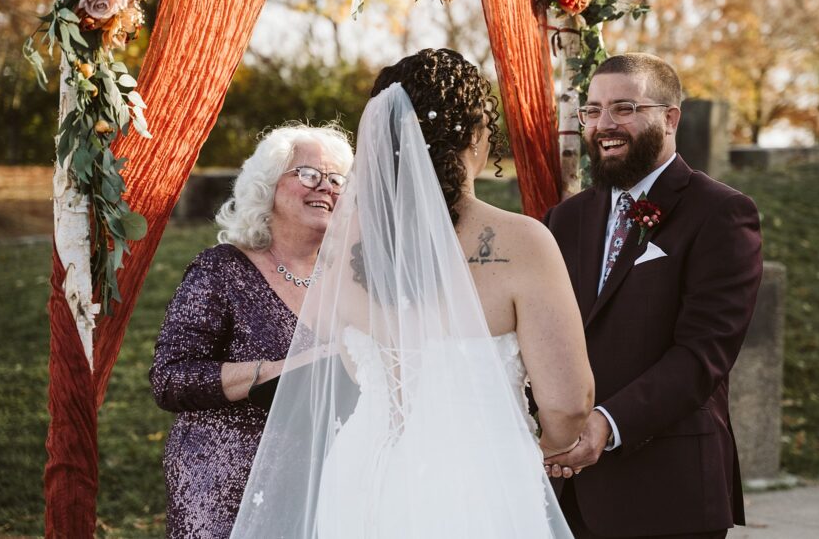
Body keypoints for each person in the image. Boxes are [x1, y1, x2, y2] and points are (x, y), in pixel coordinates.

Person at [230, 48, 595, 538]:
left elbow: (353, 360)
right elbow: (568, 403)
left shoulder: (346, 244)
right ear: (475, 132)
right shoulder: (522, 242)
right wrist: (553, 449)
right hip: (475, 479)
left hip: (360, 473)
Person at [542, 53, 763, 539]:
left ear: (670, 118)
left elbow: (703, 355)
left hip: (667, 492)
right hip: (568, 494)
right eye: (593, 111)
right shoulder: (565, 219)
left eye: (624, 108)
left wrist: (607, 422)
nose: (604, 125)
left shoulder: (722, 213)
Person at [150, 122, 354, 539]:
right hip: (224, 479)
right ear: (268, 186)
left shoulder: (350, 279)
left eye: (337, 180)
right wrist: (277, 371)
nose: (326, 188)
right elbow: (170, 378)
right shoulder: (221, 269)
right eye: (309, 174)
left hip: (325, 480)